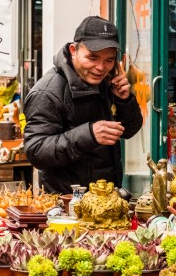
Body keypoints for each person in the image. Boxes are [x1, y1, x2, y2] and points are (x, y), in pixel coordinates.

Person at [24, 16, 143, 194]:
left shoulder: (107, 82)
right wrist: (89, 134)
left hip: (106, 196)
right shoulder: (47, 93)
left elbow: (129, 130)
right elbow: (36, 150)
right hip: (65, 201)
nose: (100, 67)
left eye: (108, 60)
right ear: (73, 50)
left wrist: (124, 100)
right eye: (92, 58)